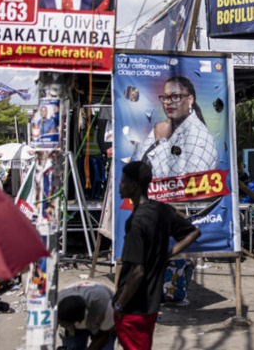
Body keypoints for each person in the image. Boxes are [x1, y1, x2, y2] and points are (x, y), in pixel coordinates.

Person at [112, 161, 201, 350]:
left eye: (123, 181)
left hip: (134, 307)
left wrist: (120, 305)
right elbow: (193, 232)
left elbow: (137, 272)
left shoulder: (136, 222)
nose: (120, 185)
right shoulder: (162, 210)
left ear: (134, 186)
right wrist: (166, 255)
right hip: (150, 304)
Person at [132, 76, 219, 178]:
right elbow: (137, 166)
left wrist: (161, 142)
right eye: (165, 97)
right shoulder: (164, 127)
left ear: (190, 99)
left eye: (175, 97)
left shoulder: (199, 138)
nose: (168, 102)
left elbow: (183, 186)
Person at [57, 282, 116, 350]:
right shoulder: (56, 304)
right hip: (76, 324)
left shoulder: (103, 306)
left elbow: (105, 335)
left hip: (100, 322)